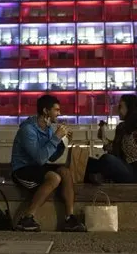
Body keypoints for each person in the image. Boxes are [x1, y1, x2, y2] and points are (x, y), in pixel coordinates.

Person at [10, 94, 87, 232]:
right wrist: (56, 137)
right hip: (22, 169)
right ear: (46, 111)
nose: (59, 113)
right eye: (56, 110)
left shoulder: (49, 128)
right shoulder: (28, 130)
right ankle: (27, 218)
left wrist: (63, 143)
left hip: (38, 166)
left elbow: (50, 158)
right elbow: (40, 158)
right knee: (54, 177)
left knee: (65, 172)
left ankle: (70, 217)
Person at [85, 94, 137, 185]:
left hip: (134, 172)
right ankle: (96, 176)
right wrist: (103, 138)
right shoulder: (122, 127)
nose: (118, 110)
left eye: (121, 106)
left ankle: (98, 176)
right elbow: (114, 149)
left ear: (130, 108)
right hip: (120, 165)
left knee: (107, 159)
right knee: (87, 161)